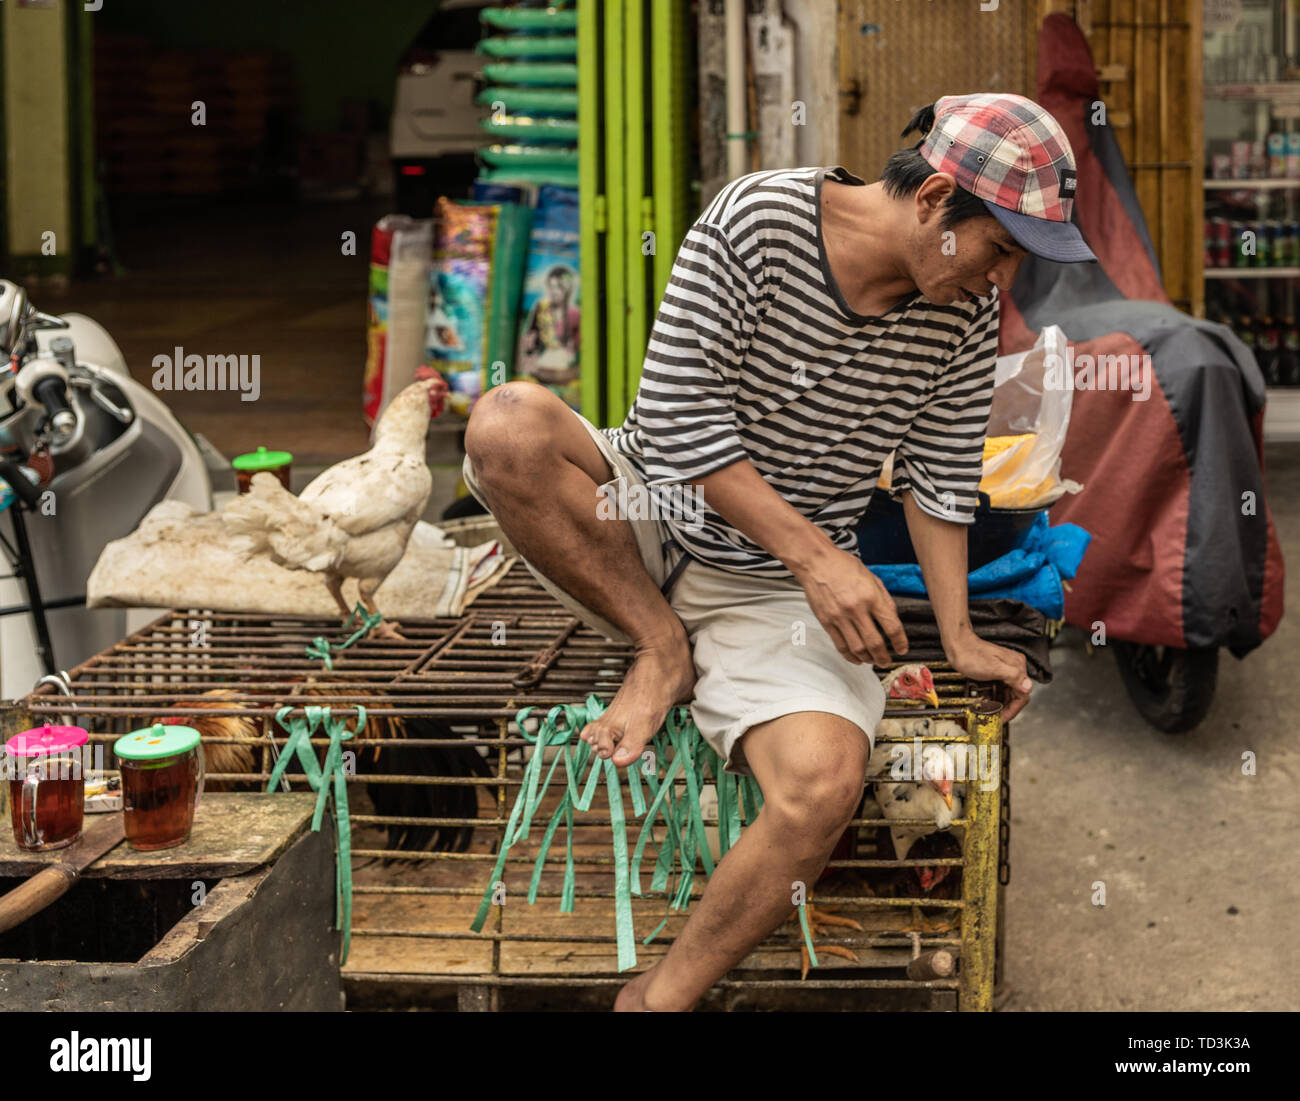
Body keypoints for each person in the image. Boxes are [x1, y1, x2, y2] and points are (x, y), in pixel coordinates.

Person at [462, 93, 1096, 1011]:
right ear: (932, 202)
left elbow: (942, 477)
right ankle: (661, 645)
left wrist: (956, 635)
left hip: (760, 588)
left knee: (822, 783)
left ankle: (658, 998)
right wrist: (818, 557)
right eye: (998, 250)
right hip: (644, 504)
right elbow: (677, 422)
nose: (1002, 281)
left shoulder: (960, 318)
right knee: (508, 423)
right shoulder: (758, 218)